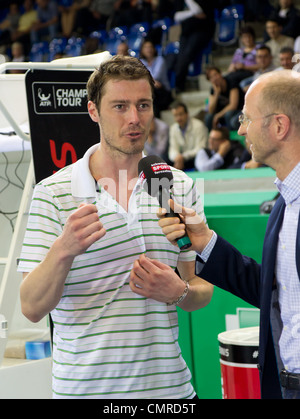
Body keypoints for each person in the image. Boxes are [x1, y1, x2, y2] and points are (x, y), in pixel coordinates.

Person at [18, 55, 213, 399]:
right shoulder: (53, 193)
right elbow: (32, 308)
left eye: (143, 105)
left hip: (171, 392)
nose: (134, 119)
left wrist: (179, 293)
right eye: (120, 106)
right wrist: (64, 251)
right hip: (85, 392)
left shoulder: (179, 185)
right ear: (93, 111)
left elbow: (200, 289)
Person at [158, 69, 300, 399]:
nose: (240, 130)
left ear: (279, 126)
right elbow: (270, 293)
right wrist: (204, 241)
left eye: (247, 118)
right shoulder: (283, 204)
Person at [173, 0, 216, 93]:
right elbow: (176, 16)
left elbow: (199, 12)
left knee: (187, 54)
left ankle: (179, 86)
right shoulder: (180, 2)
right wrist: (192, 13)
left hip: (202, 31)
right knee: (180, 57)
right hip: (185, 33)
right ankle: (178, 86)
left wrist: (189, 12)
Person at [168, 101, 208, 170]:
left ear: (187, 114)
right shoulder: (173, 128)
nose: (178, 118)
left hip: (196, 158)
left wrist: (183, 156)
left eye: (181, 114)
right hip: (181, 160)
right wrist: (177, 157)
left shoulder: (199, 125)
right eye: (175, 115)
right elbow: (172, 149)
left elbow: (200, 148)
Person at [139, 39, 173, 117]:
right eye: (146, 47)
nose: (149, 49)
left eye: (150, 47)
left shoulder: (160, 60)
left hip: (163, 92)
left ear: (154, 49)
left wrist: (147, 80)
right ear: (142, 50)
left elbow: (156, 76)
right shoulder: (141, 62)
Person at [205, 66, 244, 131]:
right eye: (211, 77)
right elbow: (210, 110)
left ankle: (231, 138)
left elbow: (233, 105)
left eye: (215, 75)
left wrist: (218, 115)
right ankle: (212, 138)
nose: (214, 78)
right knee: (208, 117)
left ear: (220, 74)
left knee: (228, 114)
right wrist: (217, 94)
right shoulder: (213, 89)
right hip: (223, 114)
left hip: (239, 111)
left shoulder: (231, 82)